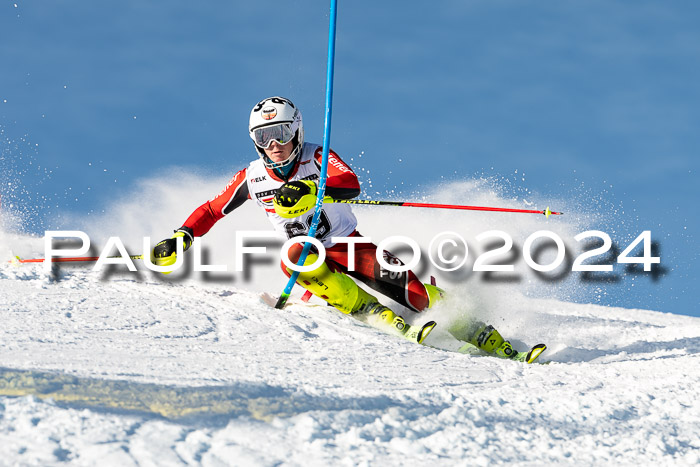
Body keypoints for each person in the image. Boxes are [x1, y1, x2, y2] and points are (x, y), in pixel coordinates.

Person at [153, 96, 543, 361]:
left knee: (418, 295)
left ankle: (487, 339)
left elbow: (350, 183)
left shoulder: (317, 156)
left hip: (349, 245)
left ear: (297, 131)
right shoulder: (252, 178)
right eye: (263, 137)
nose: (274, 144)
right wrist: (182, 235)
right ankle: (373, 312)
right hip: (309, 256)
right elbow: (211, 209)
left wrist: (310, 187)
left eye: (282, 134)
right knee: (294, 259)